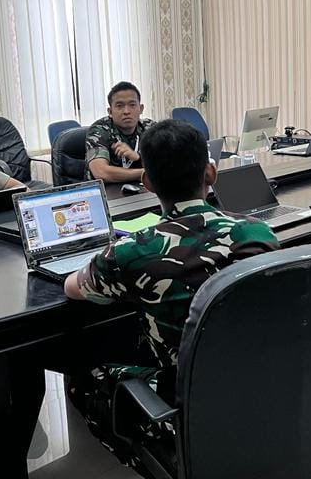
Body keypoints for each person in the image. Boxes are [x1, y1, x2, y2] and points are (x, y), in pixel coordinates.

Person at [64, 119, 279, 475]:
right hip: (264, 380)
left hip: (192, 395)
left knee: (84, 378)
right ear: (211, 173)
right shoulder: (257, 232)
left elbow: (73, 288)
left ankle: (168, 458)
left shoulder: (130, 252)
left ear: (147, 183)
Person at [85, 81, 155, 183]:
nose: (126, 111)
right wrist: (145, 173)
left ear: (141, 109)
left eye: (132, 105)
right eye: (119, 106)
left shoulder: (150, 128)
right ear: (110, 112)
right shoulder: (99, 130)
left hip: (142, 189)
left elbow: (167, 163)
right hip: (108, 191)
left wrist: (138, 158)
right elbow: (101, 172)